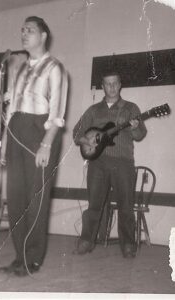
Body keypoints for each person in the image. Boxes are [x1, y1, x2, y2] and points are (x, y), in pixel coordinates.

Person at [0, 16, 68, 277]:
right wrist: (5, 144)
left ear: (43, 36)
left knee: (35, 198)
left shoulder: (55, 68)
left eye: (30, 30)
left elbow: (57, 112)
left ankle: (33, 258)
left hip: (41, 131)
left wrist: (46, 146)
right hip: (16, 130)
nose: (24, 34)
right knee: (15, 198)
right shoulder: (20, 69)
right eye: (22, 30)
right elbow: (12, 109)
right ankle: (19, 256)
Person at [73, 70, 147, 258]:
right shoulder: (93, 110)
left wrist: (136, 128)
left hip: (124, 163)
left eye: (115, 83)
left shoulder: (131, 108)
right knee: (94, 206)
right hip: (97, 164)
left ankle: (128, 245)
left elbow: (140, 136)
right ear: (103, 86)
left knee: (126, 206)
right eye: (108, 83)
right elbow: (76, 134)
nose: (112, 87)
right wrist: (87, 142)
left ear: (120, 84)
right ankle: (86, 241)